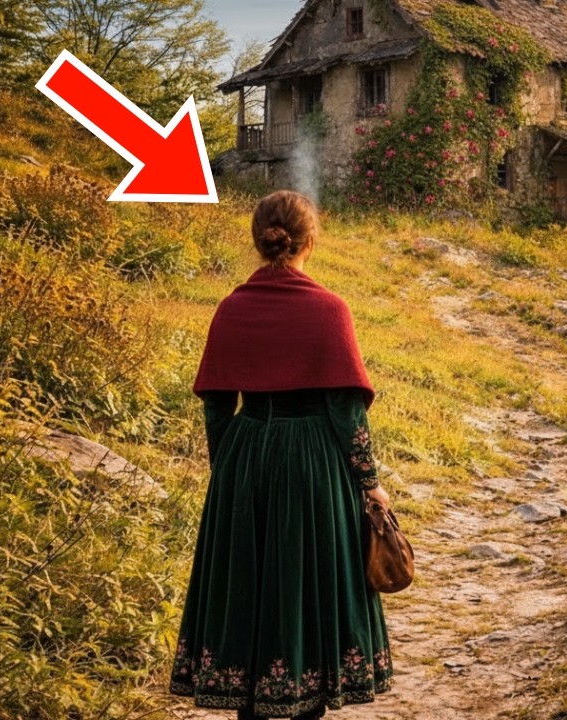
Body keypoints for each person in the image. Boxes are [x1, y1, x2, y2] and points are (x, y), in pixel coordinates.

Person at [170, 191, 393, 719]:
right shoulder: (329, 310)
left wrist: (229, 471)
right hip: (313, 462)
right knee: (306, 584)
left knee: (249, 584)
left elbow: (218, 406)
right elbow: (345, 413)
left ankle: (249, 699)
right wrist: (369, 482)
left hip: (246, 457)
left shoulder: (231, 308)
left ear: (259, 239)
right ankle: (303, 696)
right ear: (309, 241)